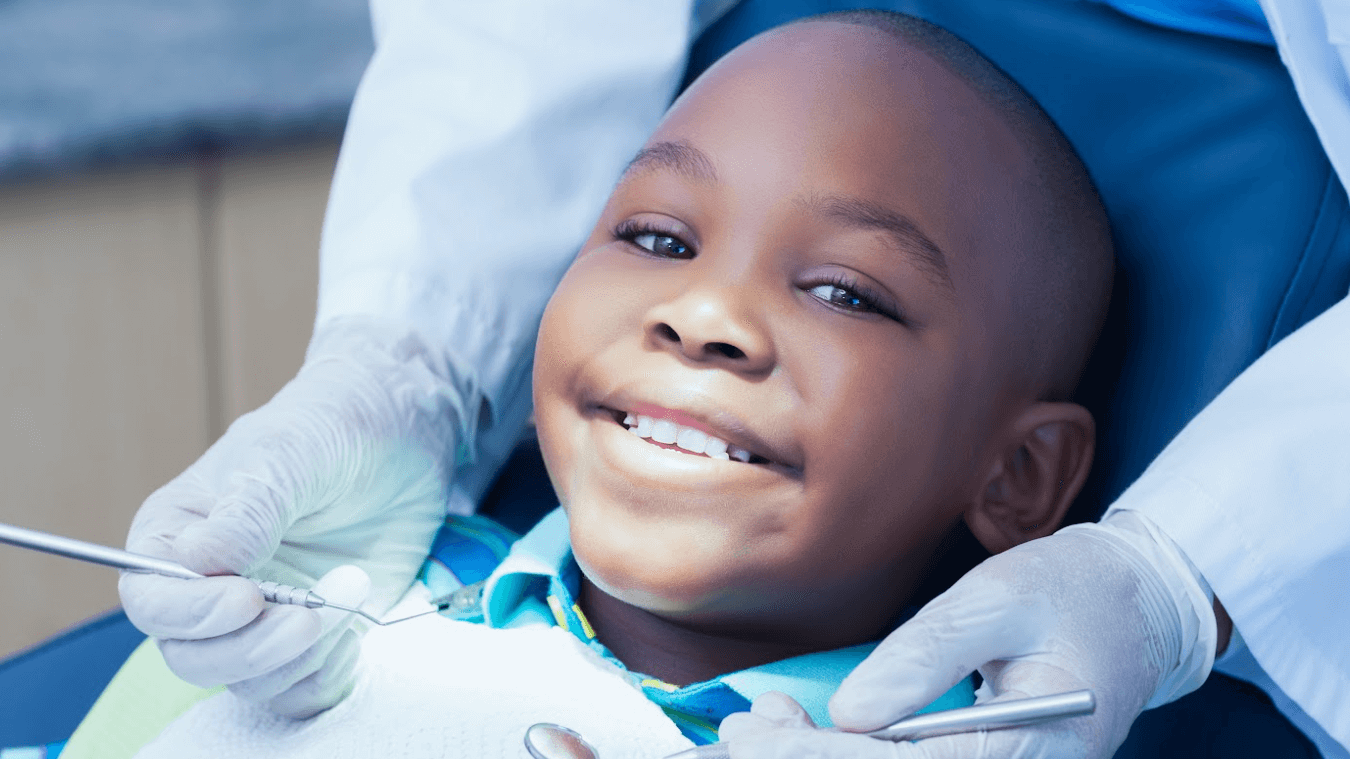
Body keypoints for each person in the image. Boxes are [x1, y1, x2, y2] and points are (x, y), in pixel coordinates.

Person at [116, 1, 1350, 758]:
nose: (704, 314)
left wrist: (1183, 576)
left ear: (1023, 475)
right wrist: (401, 364)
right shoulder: (312, 622)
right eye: (656, 239)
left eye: (847, 294)